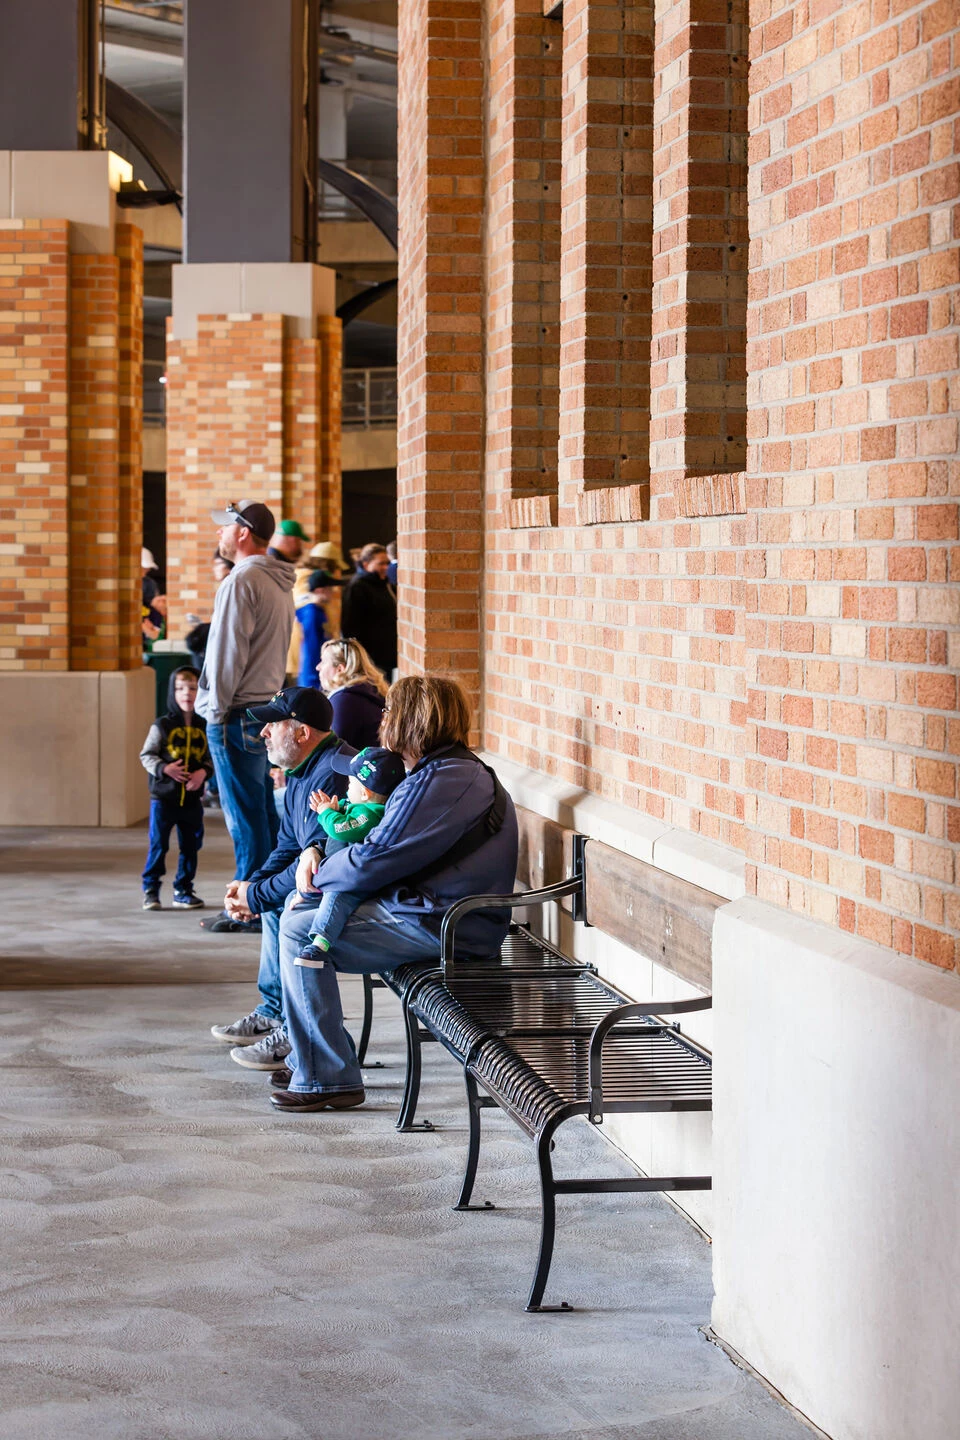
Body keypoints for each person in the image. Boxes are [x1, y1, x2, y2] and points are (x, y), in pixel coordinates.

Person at [226, 675, 519, 1113]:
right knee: (299, 912)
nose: (381, 719)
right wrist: (314, 850)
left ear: (413, 719)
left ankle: (327, 1075)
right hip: (429, 909)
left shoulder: (446, 779)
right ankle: (320, 1058)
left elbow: (371, 859)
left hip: (448, 925)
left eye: (389, 712)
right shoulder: (436, 772)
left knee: (299, 931)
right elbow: (372, 844)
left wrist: (319, 868)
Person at [209, 687, 350, 1069]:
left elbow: (317, 870)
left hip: (351, 899)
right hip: (323, 889)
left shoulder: (336, 775)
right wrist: (249, 888)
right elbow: (287, 849)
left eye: (273, 724)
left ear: (302, 733)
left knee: (287, 903)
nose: (263, 733)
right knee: (274, 900)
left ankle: (293, 1028)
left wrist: (256, 897)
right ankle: (275, 1011)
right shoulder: (300, 773)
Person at [196, 500, 296, 931]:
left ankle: (249, 906)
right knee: (263, 814)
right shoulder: (278, 581)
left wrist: (214, 713)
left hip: (234, 712)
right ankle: (268, 899)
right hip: (262, 708)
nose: (218, 534)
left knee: (244, 817)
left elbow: (226, 656)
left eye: (225, 528)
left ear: (242, 533)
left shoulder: (242, 581)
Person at [296, 746, 407, 966]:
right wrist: (332, 809)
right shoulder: (360, 806)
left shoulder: (370, 814)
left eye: (350, 784)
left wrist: (326, 813)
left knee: (336, 899)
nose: (346, 789)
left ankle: (320, 943)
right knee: (308, 897)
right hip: (341, 872)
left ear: (365, 793)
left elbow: (341, 828)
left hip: (354, 884)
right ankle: (305, 897)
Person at [139, 667, 214, 911]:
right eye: (180, 689)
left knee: (191, 845)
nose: (187, 694)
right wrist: (164, 769)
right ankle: (151, 889)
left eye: (192, 688)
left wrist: (203, 773)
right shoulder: (161, 725)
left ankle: (184, 889)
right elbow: (147, 755)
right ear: (172, 692)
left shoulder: (205, 725)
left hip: (192, 799)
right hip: (164, 799)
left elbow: (212, 758)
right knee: (159, 844)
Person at [317, 637, 387, 750]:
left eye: (323, 662)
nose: (318, 667)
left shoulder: (344, 701)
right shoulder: (368, 690)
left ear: (340, 669)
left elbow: (333, 753)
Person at [340, 543, 398, 678]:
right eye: (380, 564)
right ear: (366, 564)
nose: (386, 567)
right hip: (370, 659)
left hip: (385, 656)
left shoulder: (384, 584)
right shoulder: (357, 587)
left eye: (387, 563)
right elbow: (350, 627)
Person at [296, 570, 344, 688]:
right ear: (320, 590)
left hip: (318, 673)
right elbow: (311, 648)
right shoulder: (311, 613)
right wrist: (315, 678)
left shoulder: (319, 610)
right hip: (313, 677)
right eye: (330, 589)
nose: (334, 593)